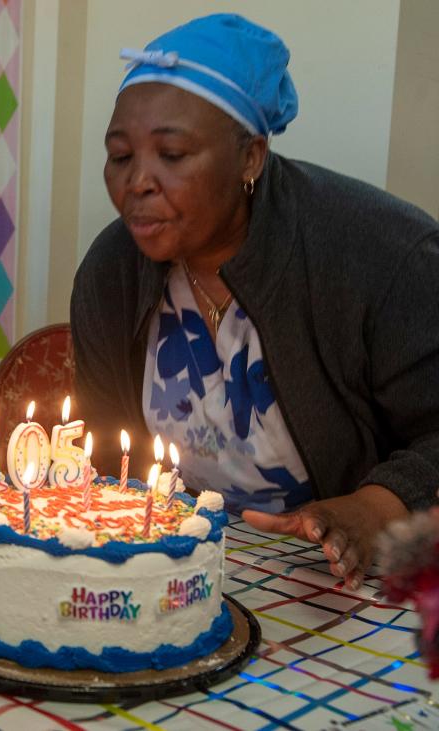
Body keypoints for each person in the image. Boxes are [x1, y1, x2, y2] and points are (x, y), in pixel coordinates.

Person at [71, 14, 439, 590]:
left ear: (251, 158)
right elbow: (109, 450)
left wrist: (374, 508)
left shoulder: (382, 254)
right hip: (182, 577)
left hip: (357, 586)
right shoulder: (111, 272)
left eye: (171, 154)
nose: (137, 182)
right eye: (120, 156)